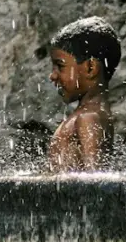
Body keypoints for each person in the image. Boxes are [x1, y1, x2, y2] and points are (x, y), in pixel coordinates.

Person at [47, 16, 120, 172]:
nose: (52, 76)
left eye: (60, 66)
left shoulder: (88, 118)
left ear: (90, 68)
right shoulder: (92, 115)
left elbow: (95, 183)